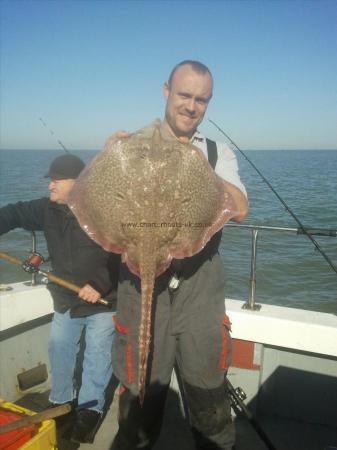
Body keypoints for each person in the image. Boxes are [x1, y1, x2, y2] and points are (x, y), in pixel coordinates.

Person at [110, 60, 248, 450]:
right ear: (166, 90)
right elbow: (96, 201)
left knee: (208, 396)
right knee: (140, 395)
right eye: (184, 95)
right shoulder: (130, 146)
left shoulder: (217, 153)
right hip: (139, 281)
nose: (192, 106)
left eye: (201, 99)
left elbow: (239, 209)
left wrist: (194, 166)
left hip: (199, 289)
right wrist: (111, 157)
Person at [0, 153, 120, 444]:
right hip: (66, 297)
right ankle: (60, 403)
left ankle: (90, 411)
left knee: (97, 355)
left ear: (76, 183)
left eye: (55, 181)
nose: (49, 187)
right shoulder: (47, 210)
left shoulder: (102, 211)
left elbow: (119, 253)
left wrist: (98, 284)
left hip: (103, 299)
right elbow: (14, 213)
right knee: (59, 347)